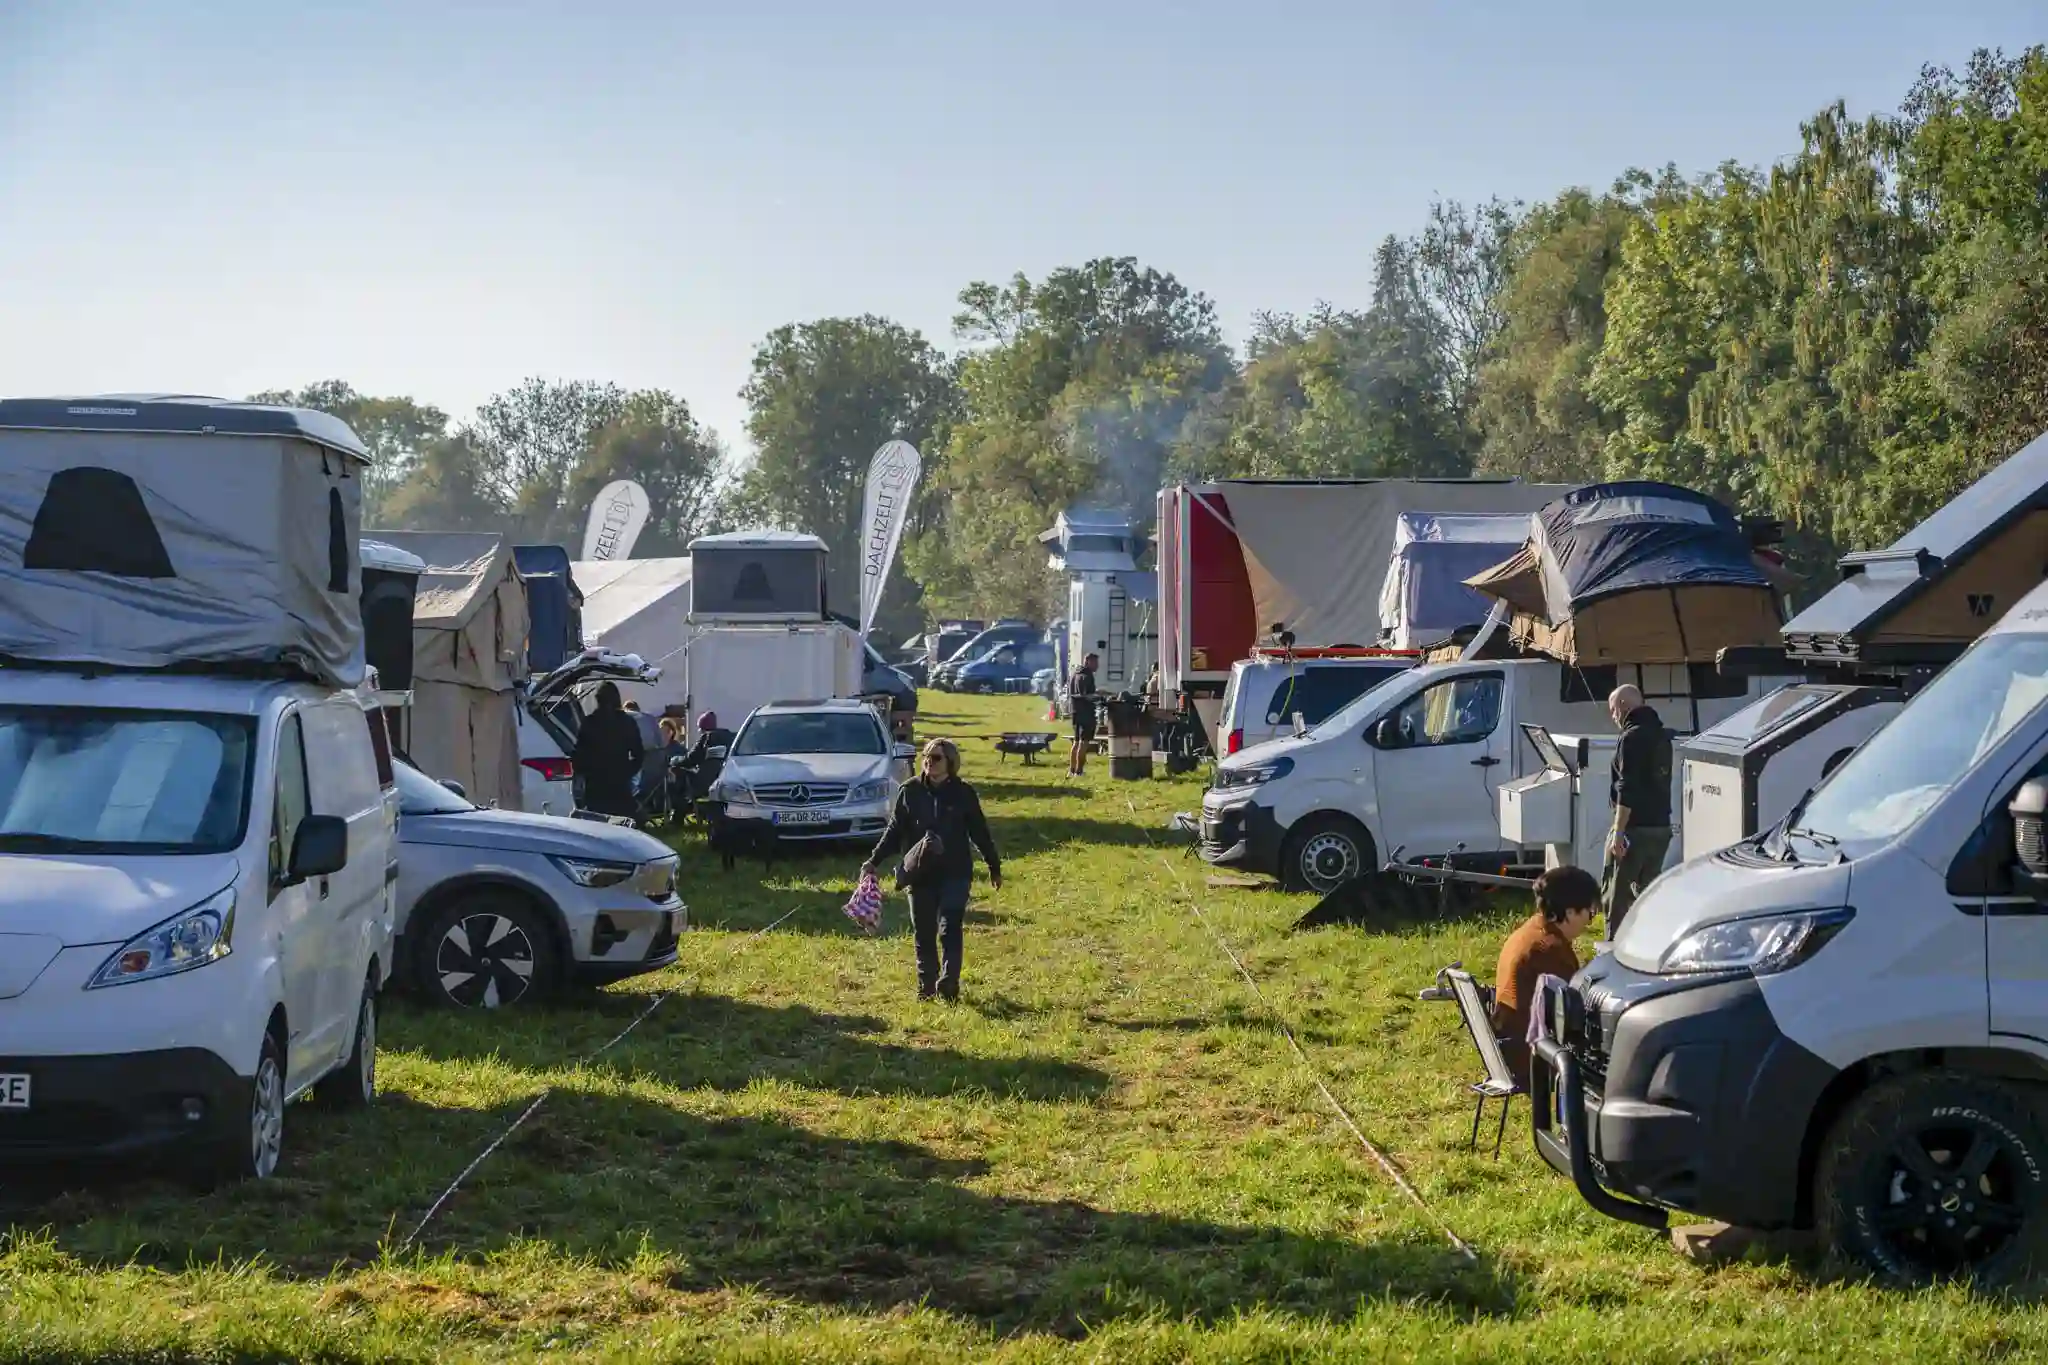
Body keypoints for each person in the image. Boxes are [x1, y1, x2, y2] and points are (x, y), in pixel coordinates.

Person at [862, 738, 1001, 1003]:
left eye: (936, 757)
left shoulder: (963, 793)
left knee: (950, 927)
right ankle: (926, 988)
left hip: (955, 871)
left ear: (950, 762)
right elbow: (894, 831)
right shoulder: (910, 791)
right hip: (919, 873)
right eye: (926, 756)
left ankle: (949, 982)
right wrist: (873, 861)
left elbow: (979, 832)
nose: (929, 761)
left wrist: (993, 866)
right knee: (924, 932)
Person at [1492, 865, 1600, 1087]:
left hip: (1509, 1045)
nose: (1589, 922)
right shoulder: (1550, 949)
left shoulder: (1529, 931)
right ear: (1570, 912)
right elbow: (1575, 1013)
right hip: (1533, 1057)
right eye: (1589, 913)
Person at [1604, 683, 1674, 933]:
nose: (1613, 717)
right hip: (1661, 829)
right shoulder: (1661, 734)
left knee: (1617, 896)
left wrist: (1618, 831)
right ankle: (1650, 943)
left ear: (1623, 706)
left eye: (1613, 710)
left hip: (1635, 830)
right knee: (1649, 896)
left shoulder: (1631, 737)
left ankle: (1613, 948)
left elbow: (1627, 788)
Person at [573, 681, 644, 818]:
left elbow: (579, 755)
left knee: (597, 823)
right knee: (621, 822)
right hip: (619, 780)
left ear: (597, 699)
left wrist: (585, 771)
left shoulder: (589, 722)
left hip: (595, 782)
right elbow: (638, 753)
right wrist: (628, 771)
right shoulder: (627, 722)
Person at [1067, 650, 1100, 777]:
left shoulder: (1075, 674)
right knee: (1084, 742)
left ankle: (1071, 770)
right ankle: (1079, 771)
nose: (1097, 666)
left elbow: (1078, 693)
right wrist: (1100, 697)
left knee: (1076, 741)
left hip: (1075, 711)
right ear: (1088, 662)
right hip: (1086, 713)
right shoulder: (1087, 676)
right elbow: (1088, 696)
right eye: (1095, 662)